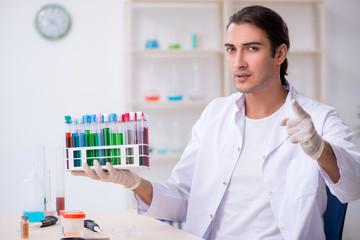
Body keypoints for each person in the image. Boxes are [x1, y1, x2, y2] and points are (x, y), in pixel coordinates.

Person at [72, 5, 360, 240]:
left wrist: (320, 149)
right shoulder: (215, 114)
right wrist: (132, 182)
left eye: (251, 48)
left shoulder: (318, 119)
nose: (238, 62)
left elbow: (354, 185)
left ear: (280, 54)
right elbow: (185, 197)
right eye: (231, 49)